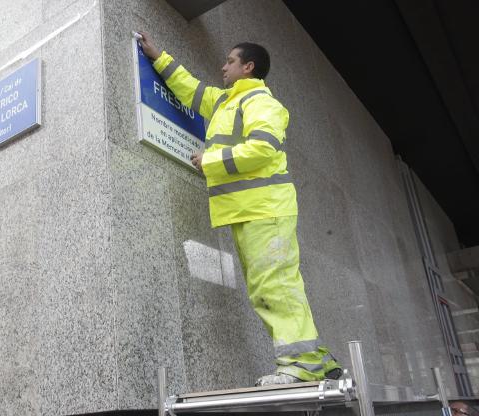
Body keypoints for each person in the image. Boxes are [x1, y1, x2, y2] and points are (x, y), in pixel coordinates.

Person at [138, 32, 341, 385]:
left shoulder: (262, 103)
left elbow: (262, 149)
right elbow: (190, 89)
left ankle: (301, 366)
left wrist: (210, 160)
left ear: (248, 67)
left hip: (265, 210)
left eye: (230, 61)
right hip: (248, 211)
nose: (223, 66)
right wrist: (158, 56)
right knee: (268, 288)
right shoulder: (225, 102)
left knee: (275, 285)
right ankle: (317, 361)